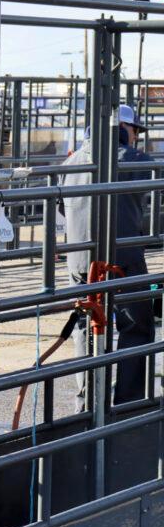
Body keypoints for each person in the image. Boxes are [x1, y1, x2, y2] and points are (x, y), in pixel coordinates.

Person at [61, 104, 155, 409]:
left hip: (79, 262)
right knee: (136, 326)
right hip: (122, 260)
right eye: (134, 131)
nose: (136, 137)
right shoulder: (137, 160)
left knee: (87, 328)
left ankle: (88, 403)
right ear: (123, 129)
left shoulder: (70, 163)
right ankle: (128, 403)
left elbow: (62, 210)